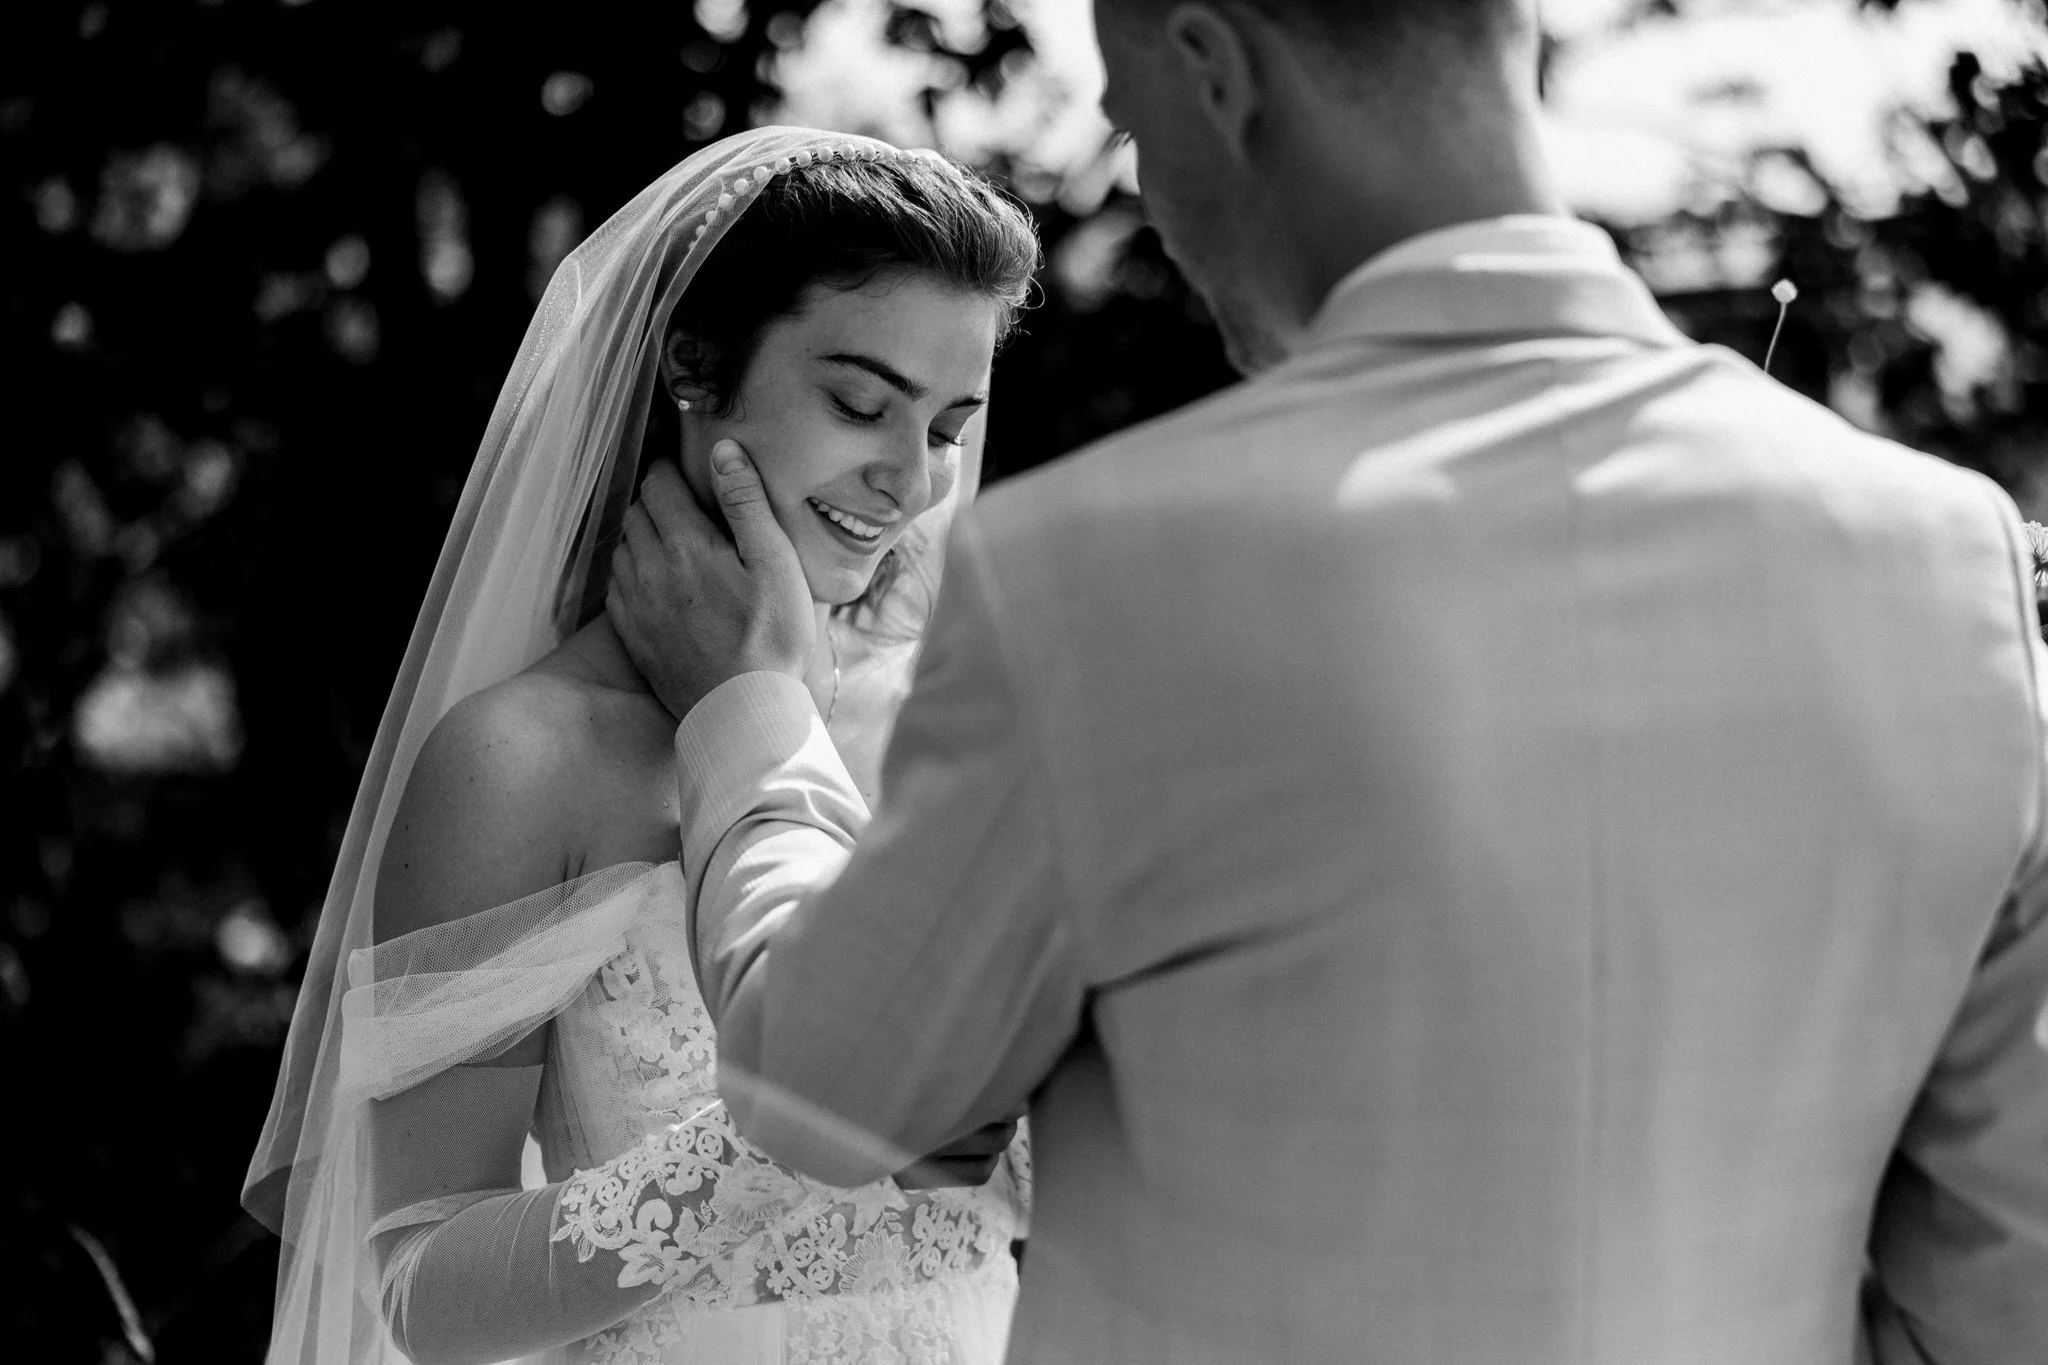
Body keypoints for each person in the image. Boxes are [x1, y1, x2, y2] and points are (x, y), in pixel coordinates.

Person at [604, 2, 2048, 1362]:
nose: (1153, 196)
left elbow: (831, 1094)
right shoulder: (1949, 566)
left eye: (1133, 122)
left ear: (1215, 69)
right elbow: (2003, 1292)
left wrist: (751, 714)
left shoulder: (1101, 573)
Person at [242, 126, 1042, 1365]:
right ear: (692, 364)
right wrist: (794, 1119)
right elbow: (421, 1287)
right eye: (857, 403)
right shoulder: (522, 761)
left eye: (944, 429)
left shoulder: (968, 720)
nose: (905, 481)